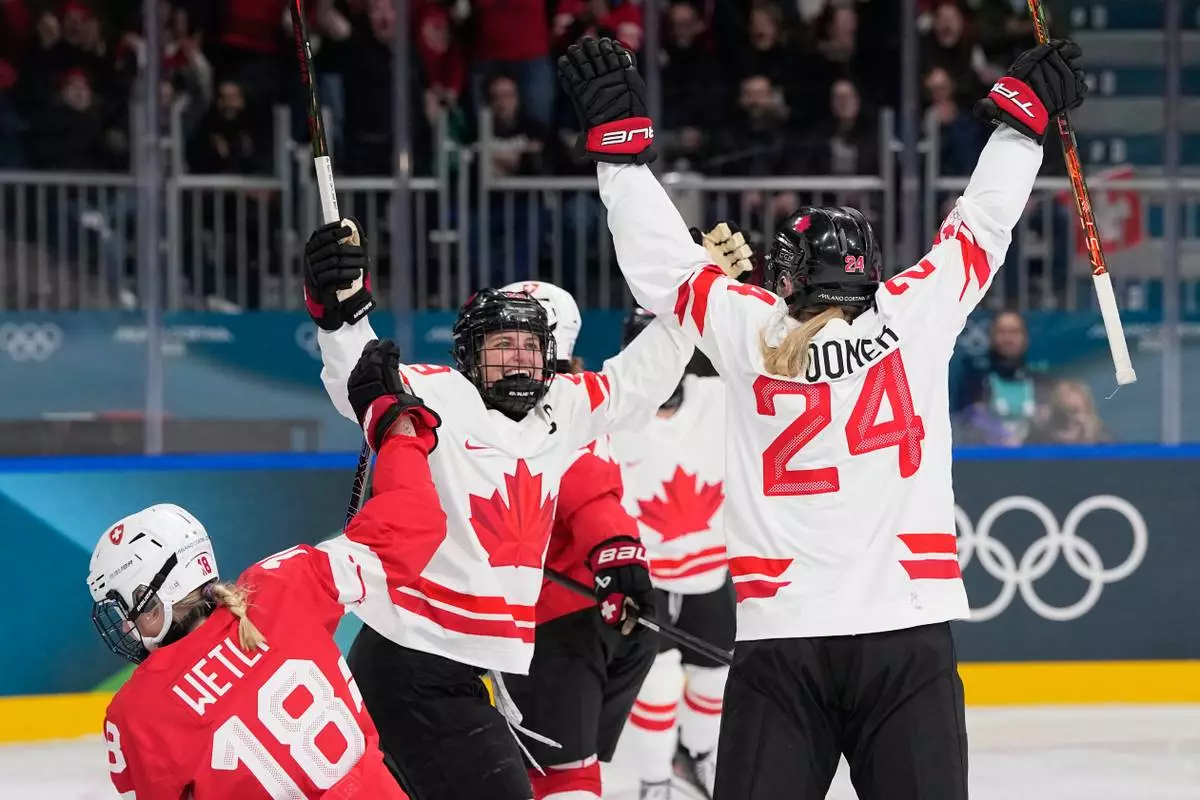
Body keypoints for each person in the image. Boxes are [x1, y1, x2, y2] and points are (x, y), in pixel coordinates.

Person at [558, 35, 1086, 800]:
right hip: (907, 634)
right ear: (870, 271)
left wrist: (622, 156)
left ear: (787, 278)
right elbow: (983, 224)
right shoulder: (918, 311)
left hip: (783, 639)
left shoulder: (751, 329)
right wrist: (1020, 124)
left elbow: (665, 266)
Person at [304, 225, 695, 798]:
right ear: (468, 354)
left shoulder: (563, 411)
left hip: (463, 670)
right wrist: (339, 314)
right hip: (412, 663)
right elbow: (358, 381)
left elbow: (639, 380)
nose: (518, 360)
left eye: (530, 347)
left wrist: (691, 293)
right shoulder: (437, 394)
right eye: (501, 345)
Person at [88, 340, 447, 800]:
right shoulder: (282, 584)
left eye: (129, 609)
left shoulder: (136, 712)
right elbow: (411, 523)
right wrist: (395, 424)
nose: (128, 627)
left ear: (163, 589)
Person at [495, 279, 659, 800]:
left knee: (558, 777)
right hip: (578, 610)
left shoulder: (543, 406)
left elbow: (584, 487)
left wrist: (614, 548)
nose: (504, 351)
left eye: (512, 339)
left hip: (555, 621)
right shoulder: (583, 390)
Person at [612, 304, 736, 800]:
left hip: (710, 575)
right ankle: (654, 782)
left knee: (714, 682)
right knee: (658, 684)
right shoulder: (614, 407)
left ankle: (697, 759)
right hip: (646, 579)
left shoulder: (718, 397)